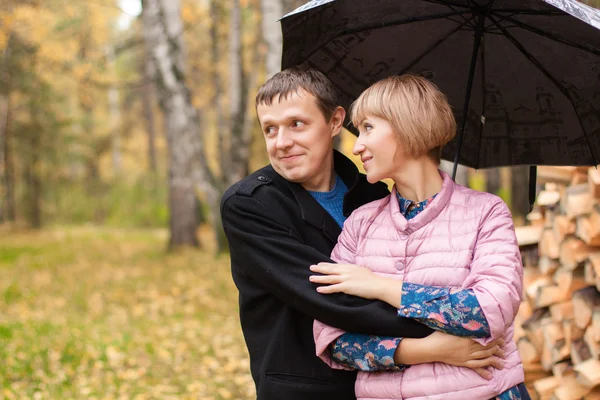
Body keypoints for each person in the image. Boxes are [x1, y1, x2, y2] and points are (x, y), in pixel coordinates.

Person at [221, 68, 505, 400]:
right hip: (305, 389)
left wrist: (464, 314)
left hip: (385, 388)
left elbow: (477, 295)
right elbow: (332, 297)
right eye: (270, 129)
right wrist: (450, 325)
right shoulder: (251, 205)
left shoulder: (374, 197)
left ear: (335, 121)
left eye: (297, 124)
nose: (282, 142)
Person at [309, 74, 529, 400]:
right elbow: (332, 340)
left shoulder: (486, 212)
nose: (357, 145)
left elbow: (487, 311)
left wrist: (380, 286)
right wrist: (425, 350)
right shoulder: (360, 224)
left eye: (368, 128)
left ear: (408, 125)